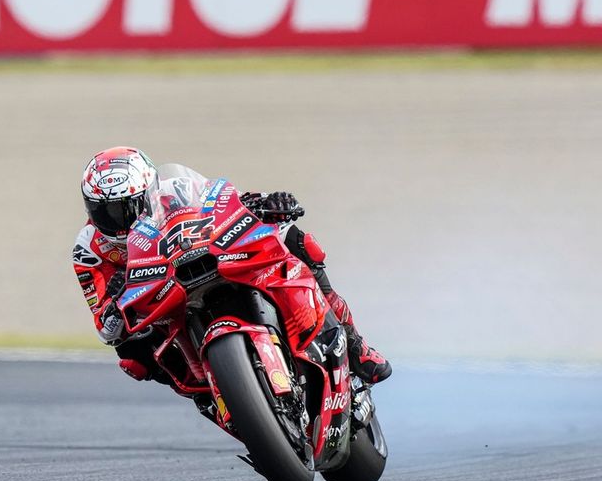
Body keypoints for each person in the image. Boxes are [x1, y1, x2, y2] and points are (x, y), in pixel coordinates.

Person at [73, 146, 391, 385]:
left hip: (204, 259)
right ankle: (209, 393)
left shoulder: (176, 190)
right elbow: (106, 330)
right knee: (133, 357)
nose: (120, 222)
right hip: (158, 304)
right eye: (108, 212)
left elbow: (225, 202)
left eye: (128, 208)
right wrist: (114, 305)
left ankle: (354, 344)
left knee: (296, 242)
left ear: (150, 192)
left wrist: (265, 203)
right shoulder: (89, 251)